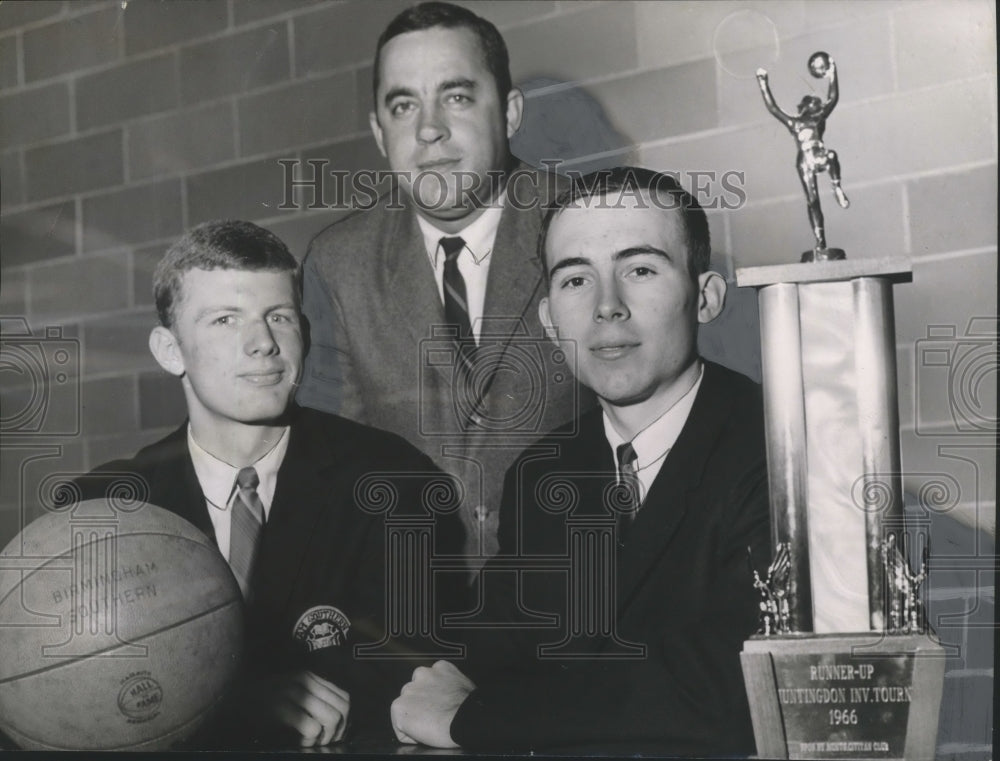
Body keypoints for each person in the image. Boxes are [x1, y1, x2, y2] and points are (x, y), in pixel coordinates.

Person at [390, 167, 772, 755]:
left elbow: (739, 685)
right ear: (548, 319)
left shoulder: (780, 454)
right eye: (575, 281)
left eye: (640, 269)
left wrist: (474, 719)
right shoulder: (545, 472)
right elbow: (479, 651)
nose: (606, 307)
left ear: (705, 297)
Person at [80, 220, 460, 748]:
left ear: (302, 332)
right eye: (224, 320)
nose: (262, 343)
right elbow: (81, 689)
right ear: (170, 351)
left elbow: (413, 663)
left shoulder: (394, 482)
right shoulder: (107, 507)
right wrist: (232, 703)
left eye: (277, 316)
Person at [298, 2, 585, 570]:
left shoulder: (587, 223)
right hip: (415, 616)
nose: (428, 129)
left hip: (582, 600)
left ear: (508, 112)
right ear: (380, 133)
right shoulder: (338, 263)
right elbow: (329, 471)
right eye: (404, 106)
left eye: (456, 96)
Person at [756, 53, 849, 254]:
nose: (816, 105)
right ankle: (820, 240)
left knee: (831, 156)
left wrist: (833, 72)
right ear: (805, 107)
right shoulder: (795, 123)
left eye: (816, 103)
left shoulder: (819, 119)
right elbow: (773, 108)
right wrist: (762, 82)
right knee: (812, 201)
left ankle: (837, 187)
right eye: (813, 103)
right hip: (805, 160)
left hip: (818, 152)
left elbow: (833, 98)